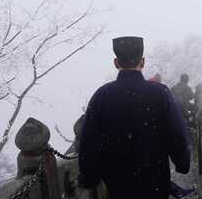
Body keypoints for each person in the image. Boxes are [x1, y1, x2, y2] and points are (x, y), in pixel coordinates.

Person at [79, 36, 192, 199]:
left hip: (116, 182)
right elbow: (177, 134)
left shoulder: (102, 96)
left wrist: (89, 177)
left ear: (116, 63)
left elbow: (88, 140)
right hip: (155, 179)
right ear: (143, 61)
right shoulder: (160, 93)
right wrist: (182, 163)